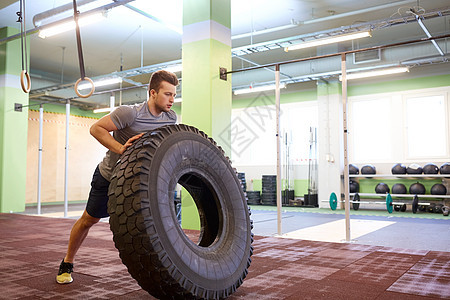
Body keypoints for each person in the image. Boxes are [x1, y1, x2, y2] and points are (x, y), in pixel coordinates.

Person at [56, 70, 179, 284]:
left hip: (138, 182)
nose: (172, 99)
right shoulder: (129, 113)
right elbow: (96, 129)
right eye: (167, 94)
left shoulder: (170, 118)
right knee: (89, 220)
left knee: (151, 223)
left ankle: (161, 268)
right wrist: (122, 148)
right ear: (152, 93)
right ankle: (67, 262)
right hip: (109, 176)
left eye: (174, 95)